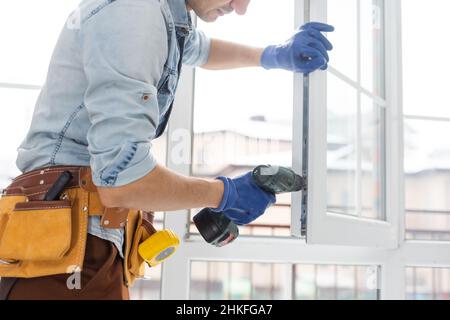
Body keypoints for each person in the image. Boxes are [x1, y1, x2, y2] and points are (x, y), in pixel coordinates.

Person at [0, 0, 333, 300]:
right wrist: (224, 193)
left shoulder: (162, 16)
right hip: (67, 253)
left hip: (78, 247)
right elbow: (121, 183)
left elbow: (199, 49)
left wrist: (272, 55)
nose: (241, 7)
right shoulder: (134, 12)